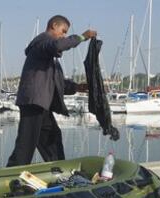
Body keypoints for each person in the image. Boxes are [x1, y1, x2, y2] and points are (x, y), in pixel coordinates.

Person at [7, 15, 97, 167]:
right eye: (63, 31)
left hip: (41, 104)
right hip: (33, 101)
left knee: (52, 139)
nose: (64, 36)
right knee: (26, 143)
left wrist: (78, 87)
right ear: (54, 25)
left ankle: (58, 169)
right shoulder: (42, 41)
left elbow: (58, 83)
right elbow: (57, 46)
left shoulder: (49, 57)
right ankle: (11, 175)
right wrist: (82, 37)